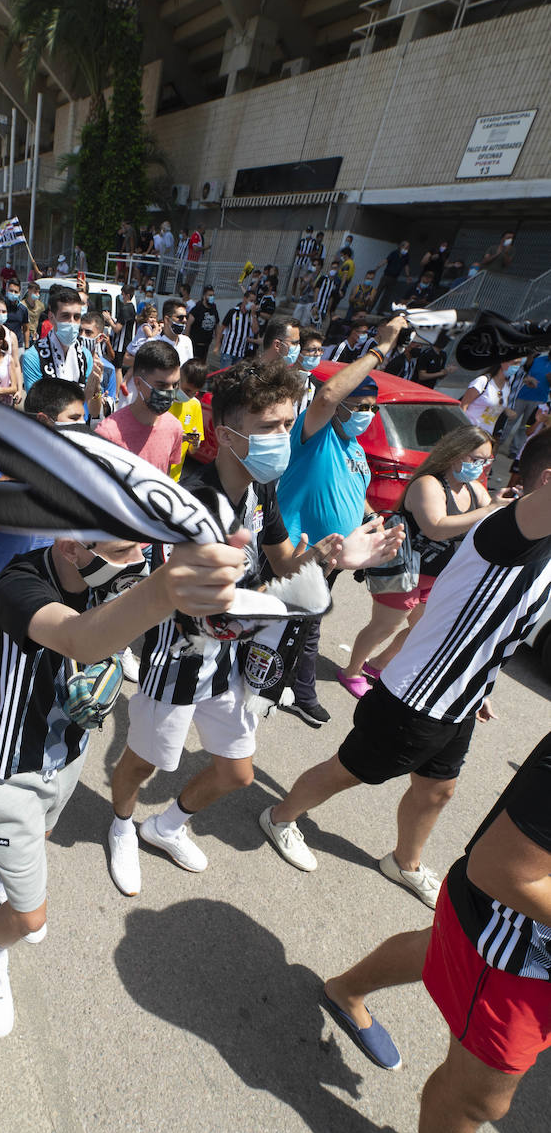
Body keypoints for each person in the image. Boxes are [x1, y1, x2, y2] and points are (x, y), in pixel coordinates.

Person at [107, 359, 404, 897]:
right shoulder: (194, 506)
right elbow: (219, 613)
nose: (284, 438)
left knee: (236, 774)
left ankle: (167, 824)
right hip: (181, 656)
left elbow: (286, 563)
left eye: (289, 424)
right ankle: (122, 824)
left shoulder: (261, 491)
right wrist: (320, 571)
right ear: (226, 434)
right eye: (271, 427)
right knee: (142, 761)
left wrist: (332, 554)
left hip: (229, 662)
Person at [0, 508, 246, 1036]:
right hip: (12, 768)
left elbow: (182, 625)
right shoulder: (17, 584)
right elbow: (79, 639)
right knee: (31, 918)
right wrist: (165, 586)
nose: (137, 561)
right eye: (122, 551)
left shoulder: (114, 576)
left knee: (45, 832)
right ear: (71, 546)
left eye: (141, 549)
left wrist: (316, 563)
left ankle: (6, 871)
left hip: (69, 752)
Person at [261, 428, 551, 901]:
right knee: (348, 769)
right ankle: (279, 818)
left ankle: (404, 862)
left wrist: (481, 686)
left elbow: (498, 624)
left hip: (459, 699)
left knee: (438, 791)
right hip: (417, 695)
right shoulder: (509, 531)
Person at [322, 730, 551, 1133]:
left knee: (435, 948)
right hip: (514, 951)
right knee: (483, 1097)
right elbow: (502, 870)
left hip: (504, 935)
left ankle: (345, 988)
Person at [275, 315, 405, 726]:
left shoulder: (356, 450)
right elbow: (328, 393)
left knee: (305, 621)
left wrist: (373, 520)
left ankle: (291, 686)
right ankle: (283, 687)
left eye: (372, 408)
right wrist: (381, 349)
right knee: (288, 620)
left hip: (332, 558)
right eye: (360, 406)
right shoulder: (315, 434)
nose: (366, 413)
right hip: (294, 550)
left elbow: (357, 494)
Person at [338, 427, 505, 695]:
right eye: (476, 459)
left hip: (438, 575)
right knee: (385, 626)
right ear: (455, 454)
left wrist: (508, 507)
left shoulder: (475, 490)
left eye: (486, 461)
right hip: (405, 568)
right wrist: (489, 509)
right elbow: (436, 527)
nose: (481, 467)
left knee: (425, 630)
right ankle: (351, 671)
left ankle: (378, 665)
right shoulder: (428, 483)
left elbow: (490, 522)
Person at [0, 377, 86, 716]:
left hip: (46, 587)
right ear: (44, 421)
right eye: (73, 418)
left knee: (33, 655)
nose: (81, 426)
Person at [96, 339, 183, 477]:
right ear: (137, 383)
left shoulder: (175, 428)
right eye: (161, 386)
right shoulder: (108, 433)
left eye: (175, 385)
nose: (170, 392)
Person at [459, 359, 519, 438]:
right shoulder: (483, 381)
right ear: (503, 362)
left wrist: (507, 410)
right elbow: (462, 407)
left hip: (485, 436)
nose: (517, 367)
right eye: (515, 363)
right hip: (468, 433)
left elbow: (497, 404)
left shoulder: (507, 387)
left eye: (519, 364)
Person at [169, 359, 206, 481]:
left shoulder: (195, 405)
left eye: (194, 392)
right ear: (178, 377)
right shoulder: (163, 399)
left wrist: (195, 443)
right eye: (186, 390)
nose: (188, 395)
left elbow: (193, 449)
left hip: (173, 476)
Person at [212, 292, 260, 367]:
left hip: (240, 353)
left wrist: (254, 315)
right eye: (251, 301)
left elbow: (255, 331)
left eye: (254, 302)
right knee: (224, 375)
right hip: (228, 350)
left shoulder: (251, 315)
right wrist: (217, 345)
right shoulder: (233, 312)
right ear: (244, 299)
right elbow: (222, 328)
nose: (252, 304)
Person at [374, 240, 412, 312]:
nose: (406, 249)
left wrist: (408, 276)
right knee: (377, 293)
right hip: (386, 276)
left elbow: (406, 266)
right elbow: (386, 260)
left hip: (394, 278)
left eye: (408, 248)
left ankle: (380, 311)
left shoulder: (406, 256)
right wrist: (377, 267)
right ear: (401, 246)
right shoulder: (394, 253)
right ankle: (369, 309)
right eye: (405, 247)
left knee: (387, 296)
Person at [186, 284, 220, 361]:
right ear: (204, 296)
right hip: (195, 345)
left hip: (206, 345)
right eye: (210, 295)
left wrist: (217, 344)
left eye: (213, 295)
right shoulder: (197, 308)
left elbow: (217, 325)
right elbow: (188, 325)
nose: (212, 297)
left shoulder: (213, 308)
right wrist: (186, 342)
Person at [158, 298, 194, 364]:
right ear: (167, 320)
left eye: (186, 317)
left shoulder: (187, 341)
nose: (185, 320)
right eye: (180, 317)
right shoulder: (153, 343)